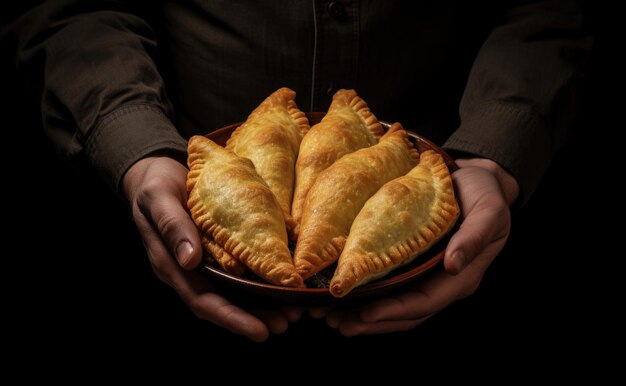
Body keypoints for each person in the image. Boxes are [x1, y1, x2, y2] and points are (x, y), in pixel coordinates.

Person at [4, 0, 591, 342]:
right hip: (166, 239)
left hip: (458, 210)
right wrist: (137, 149)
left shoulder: (416, 170)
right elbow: (69, 7)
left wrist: (493, 147)